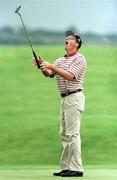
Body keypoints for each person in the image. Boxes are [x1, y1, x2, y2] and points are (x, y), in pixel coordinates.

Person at [32, 30, 87, 177]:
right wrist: (42, 66)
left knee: (73, 134)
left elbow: (69, 76)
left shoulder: (80, 59)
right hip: (64, 99)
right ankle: (66, 167)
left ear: (77, 43)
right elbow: (49, 74)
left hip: (74, 97)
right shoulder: (60, 60)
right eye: (66, 38)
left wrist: (51, 66)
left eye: (70, 38)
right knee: (64, 134)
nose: (66, 39)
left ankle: (76, 168)